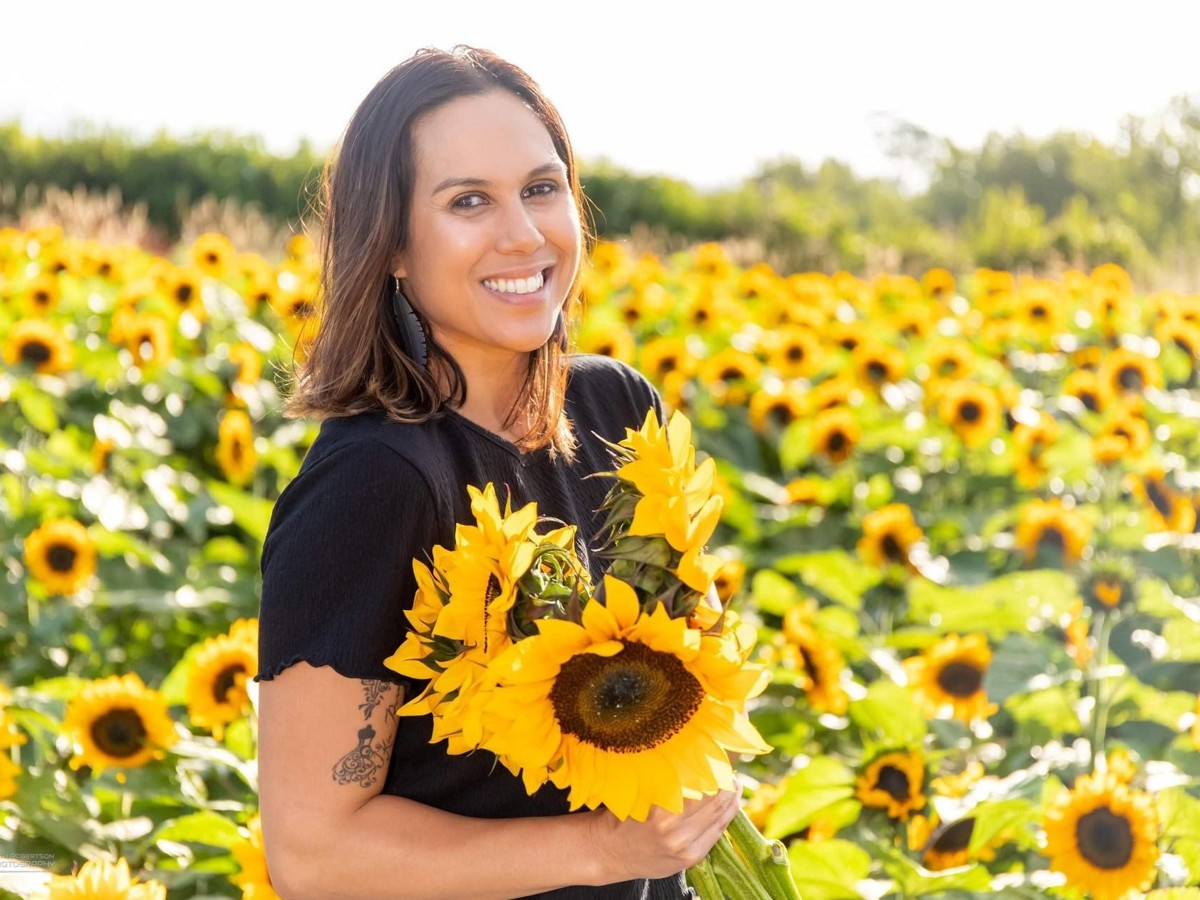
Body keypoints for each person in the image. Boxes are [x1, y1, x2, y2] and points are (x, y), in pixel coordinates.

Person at [254, 45, 739, 900]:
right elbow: (315, 855)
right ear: (393, 244)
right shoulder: (374, 485)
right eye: (468, 201)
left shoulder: (618, 410)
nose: (523, 233)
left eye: (541, 188)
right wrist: (604, 852)